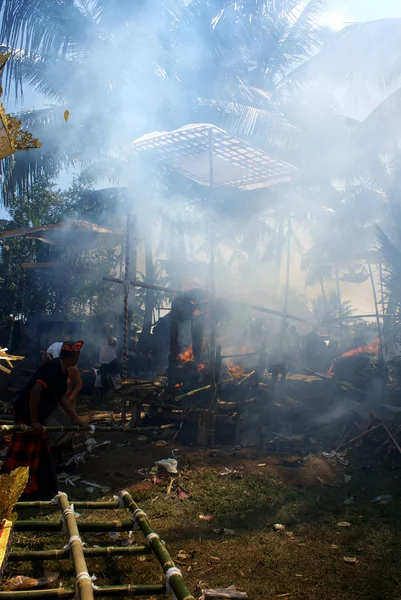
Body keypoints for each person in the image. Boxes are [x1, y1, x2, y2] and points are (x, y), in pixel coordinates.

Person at [1, 341, 84, 499]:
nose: (79, 357)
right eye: (78, 354)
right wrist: (33, 420)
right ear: (73, 355)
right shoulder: (52, 369)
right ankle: (12, 487)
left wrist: (75, 418)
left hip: (38, 416)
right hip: (27, 414)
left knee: (40, 452)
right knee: (22, 454)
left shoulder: (63, 371)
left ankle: (36, 488)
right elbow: (35, 391)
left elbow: (61, 397)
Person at [46, 341, 82, 409]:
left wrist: (71, 397)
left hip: (67, 399)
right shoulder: (52, 368)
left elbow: (79, 384)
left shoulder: (72, 367)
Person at [99, 324, 119, 391]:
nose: (106, 331)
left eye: (108, 330)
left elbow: (110, 342)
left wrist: (108, 332)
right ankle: (105, 393)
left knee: (115, 378)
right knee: (103, 378)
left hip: (112, 360)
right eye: (105, 330)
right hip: (103, 361)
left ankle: (117, 393)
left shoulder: (114, 338)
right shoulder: (101, 339)